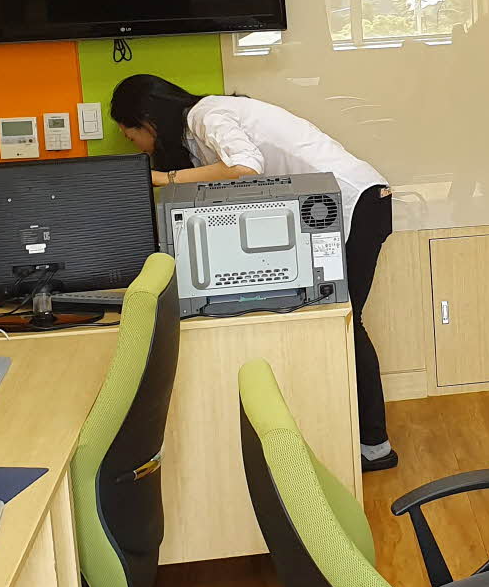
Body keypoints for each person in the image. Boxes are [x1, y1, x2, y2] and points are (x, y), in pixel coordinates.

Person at [109, 74, 401, 472]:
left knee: (344, 321)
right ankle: (349, 438)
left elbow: (245, 168)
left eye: (132, 137)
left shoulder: (206, 115)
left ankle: (375, 447)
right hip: (337, 207)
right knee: (335, 320)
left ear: (147, 121)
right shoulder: (197, 133)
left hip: (355, 203)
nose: (139, 148)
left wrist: (163, 179)